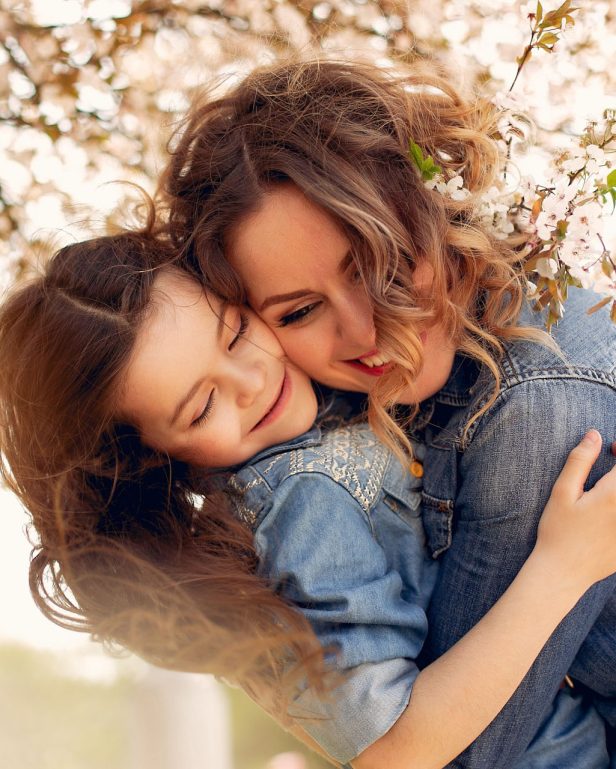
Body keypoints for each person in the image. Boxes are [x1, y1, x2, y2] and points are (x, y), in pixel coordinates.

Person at [1, 225, 615, 769]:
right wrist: (562, 569)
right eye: (202, 406)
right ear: (152, 459)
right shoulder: (299, 501)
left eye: (237, 333)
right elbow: (390, 753)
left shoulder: (320, 415)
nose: (253, 381)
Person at [159, 57, 616, 767]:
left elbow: (465, 754)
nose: (367, 331)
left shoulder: (537, 407)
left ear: (435, 210)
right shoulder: (385, 401)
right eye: (301, 310)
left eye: (384, 264)